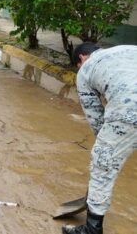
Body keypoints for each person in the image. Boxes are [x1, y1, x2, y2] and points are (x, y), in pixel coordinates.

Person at [62, 43, 137, 234]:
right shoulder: (127, 49)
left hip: (130, 107)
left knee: (102, 163)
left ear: (81, 59)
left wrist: (106, 151)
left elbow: (96, 119)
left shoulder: (86, 69)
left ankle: (92, 230)